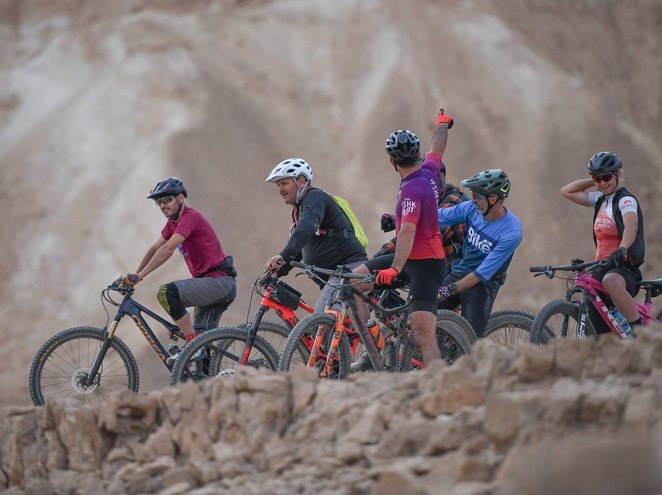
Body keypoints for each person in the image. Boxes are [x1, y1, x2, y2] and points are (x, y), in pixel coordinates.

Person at [351, 109, 454, 371]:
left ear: (391, 161)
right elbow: (438, 146)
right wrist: (442, 124)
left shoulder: (410, 189)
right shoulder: (429, 171)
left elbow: (407, 231)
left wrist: (394, 269)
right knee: (354, 281)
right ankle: (373, 346)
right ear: (418, 155)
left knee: (423, 334)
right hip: (412, 258)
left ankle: (439, 386)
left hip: (426, 264)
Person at [121, 177, 237, 352]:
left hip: (218, 282)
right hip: (209, 283)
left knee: (165, 293)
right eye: (158, 202)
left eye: (167, 200)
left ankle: (192, 346)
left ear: (181, 198)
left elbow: (168, 248)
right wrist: (134, 276)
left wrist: (141, 276)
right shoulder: (172, 224)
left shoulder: (190, 218)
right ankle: (199, 354)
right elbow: (155, 247)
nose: (162, 206)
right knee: (204, 355)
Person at [264, 158, 368, 312]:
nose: (280, 189)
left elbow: (307, 228)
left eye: (284, 183)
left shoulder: (314, 197)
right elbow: (300, 248)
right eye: (278, 185)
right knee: (326, 331)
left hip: (348, 270)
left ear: (301, 181)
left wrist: (283, 255)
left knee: (320, 325)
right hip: (333, 276)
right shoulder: (299, 210)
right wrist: (279, 271)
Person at [560, 151, 645, 333]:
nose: (603, 183)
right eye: (598, 180)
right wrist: (596, 178)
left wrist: (622, 248)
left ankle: (640, 332)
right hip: (602, 266)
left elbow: (632, 225)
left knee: (611, 280)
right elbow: (566, 191)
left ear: (617, 175)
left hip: (624, 267)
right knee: (598, 335)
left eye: (607, 177)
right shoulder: (600, 199)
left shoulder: (625, 200)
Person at [437, 169, 522, 338]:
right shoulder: (471, 208)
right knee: (428, 312)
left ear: (493, 199)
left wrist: (451, 289)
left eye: (477, 197)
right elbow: (438, 216)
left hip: (484, 284)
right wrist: (401, 219)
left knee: (469, 340)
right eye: (472, 195)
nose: (473, 200)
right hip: (462, 271)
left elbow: (481, 274)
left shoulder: (511, 232)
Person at [375, 173, 469, 275]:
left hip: (457, 271)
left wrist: (376, 260)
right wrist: (398, 221)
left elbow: (419, 236)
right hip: (439, 264)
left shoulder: (453, 202)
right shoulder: (431, 199)